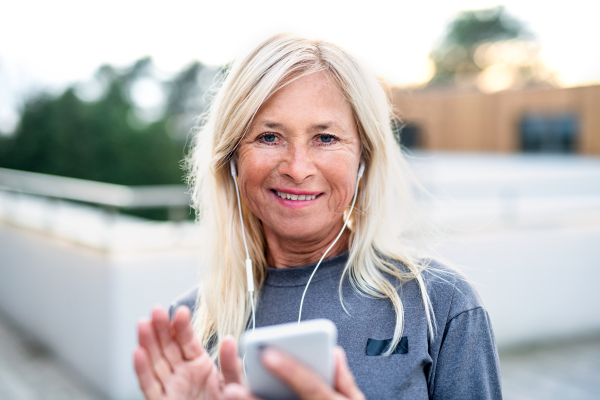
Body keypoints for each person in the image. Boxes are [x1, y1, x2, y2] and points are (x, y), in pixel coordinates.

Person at [133, 33, 502, 400]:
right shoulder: (189, 328)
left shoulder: (440, 305)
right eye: (268, 137)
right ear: (232, 157)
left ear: (364, 157)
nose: (297, 168)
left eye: (325, 138)